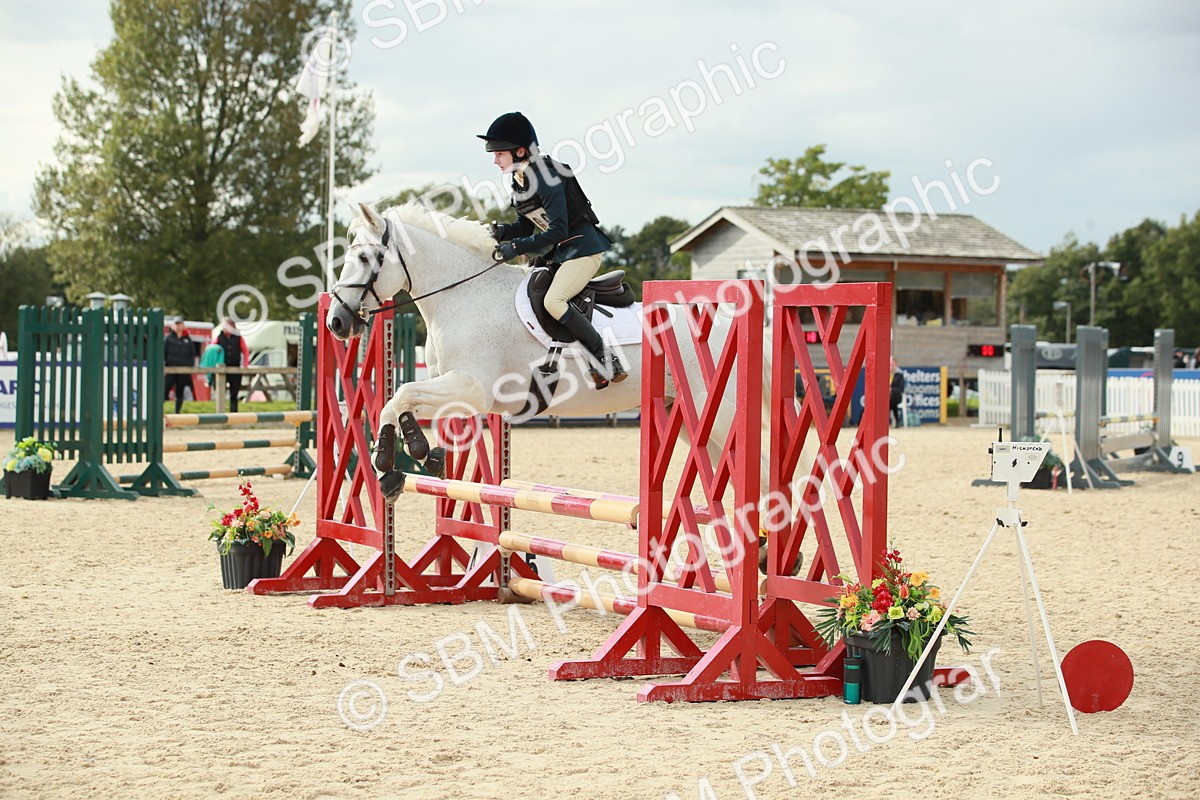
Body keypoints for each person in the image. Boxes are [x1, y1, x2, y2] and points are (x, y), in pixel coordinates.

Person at [479, 111, 626, 389]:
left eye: (499, 153)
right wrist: (502, 233)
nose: (495, 160)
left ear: (520, 151)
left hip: (583, 250)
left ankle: (606, 359)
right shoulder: (520, 179)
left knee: (554, 301)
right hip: (563, 253)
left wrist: (516, 247)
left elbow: (558, 230)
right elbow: (525, 226)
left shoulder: (546, 176)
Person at [215, 317, 249, 412]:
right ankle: (220, 413)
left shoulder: (238, 337)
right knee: (221, 392)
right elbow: (213, 347)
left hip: (235, 367)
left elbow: (245, 350)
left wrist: (245, 364)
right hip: (222, 367)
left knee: (234, 393)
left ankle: (234, 413)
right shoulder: (219, 336)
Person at [163, 316, 196, 414]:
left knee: (180, 392)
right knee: (165, 390)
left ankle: (177, 412)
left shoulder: (188, 339)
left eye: (180, 324)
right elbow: (164, 352)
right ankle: (160, 411)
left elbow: (192, 354)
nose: (178, 327)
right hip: (171, 369)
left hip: (183, 370)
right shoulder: (168, 338)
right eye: (176, 324)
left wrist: (189, 365)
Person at [889, 358, 906, 427]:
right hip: (887, 397)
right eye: (890, 364)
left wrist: (891, 390)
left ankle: (897, 421)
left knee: (892, 401)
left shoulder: (899, 375)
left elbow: (901, 388)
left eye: (892, 364)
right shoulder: (886, 374)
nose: (891, 366)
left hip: (896, 396)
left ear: (896, 364)